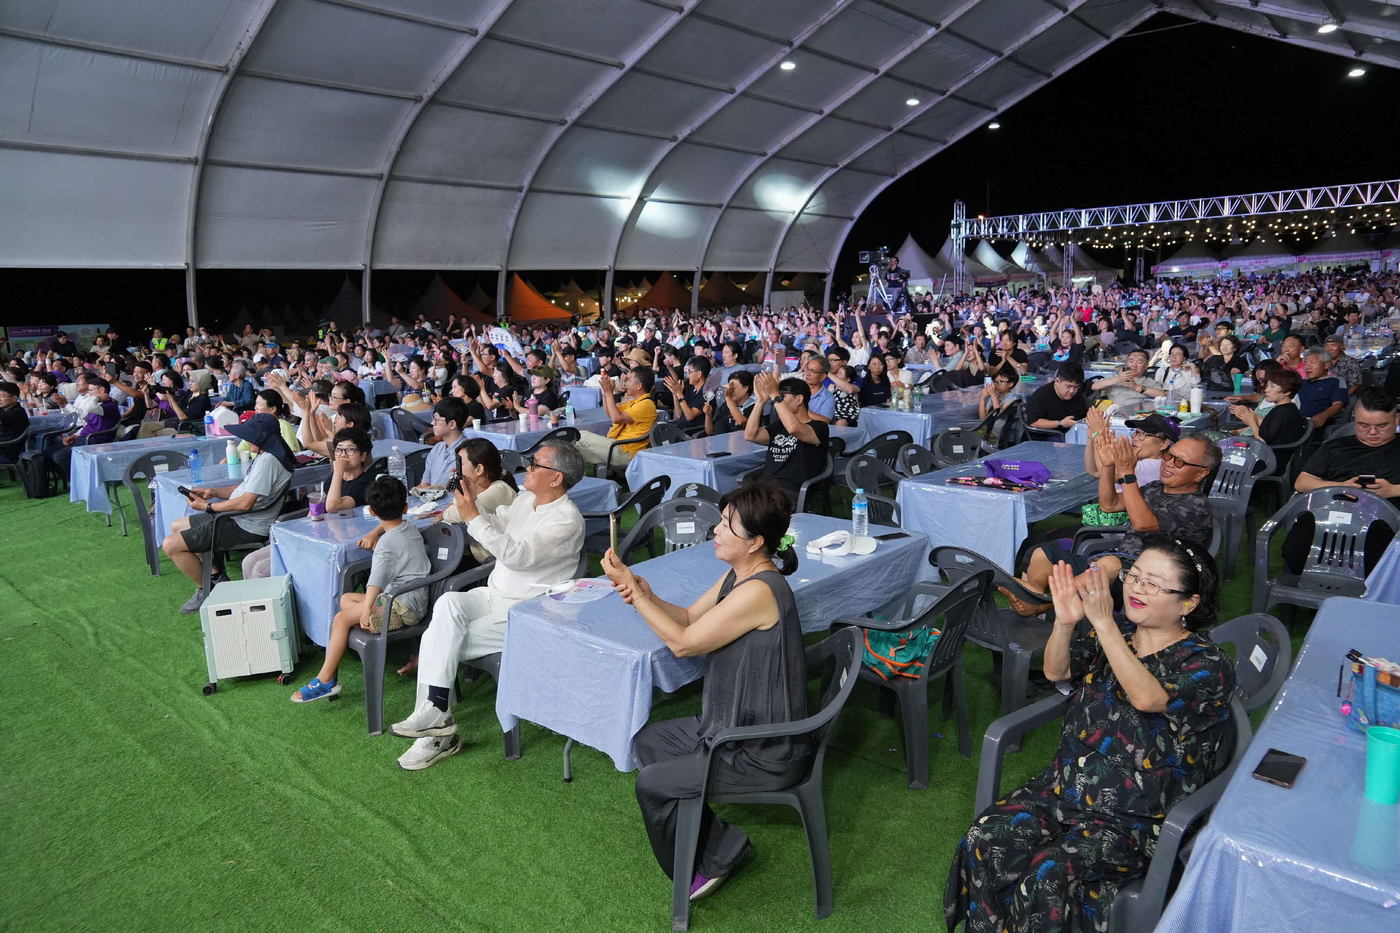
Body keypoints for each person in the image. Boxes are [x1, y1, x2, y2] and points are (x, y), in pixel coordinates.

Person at [946, 536, 1235, 933]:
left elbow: (1148, 697)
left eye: (1153, 584)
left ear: (1188, 604)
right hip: (1066, 789)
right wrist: (1064, 624)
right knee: (986, 836)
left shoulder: (1206, 664)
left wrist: (1103, 622)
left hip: (1134, 817)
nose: (1135, 587)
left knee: (1046, 877)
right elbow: (1056, 672)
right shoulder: (1114, 634)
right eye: (1135, 576)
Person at [601, 477, 808, 902]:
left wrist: (637, 600)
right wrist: (641, 588)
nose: (715, 529)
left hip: (761, 746)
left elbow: (682, 644)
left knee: (652, 785)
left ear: (755, 543)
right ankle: (722, 847)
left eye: (728, 525)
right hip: (730, 721)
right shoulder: (740, 575)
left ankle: (704, 867)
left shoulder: (761, 590)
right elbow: (690, 617)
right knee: (649, 741)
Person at [389, 440, 585, 770]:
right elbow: (499, 524)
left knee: (439, 640)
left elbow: (516, 555)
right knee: (449, 602)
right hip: (495, 596)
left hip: (529, 611)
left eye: (536, 464)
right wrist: (473, 508)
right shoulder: (526, 500)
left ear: (556, 478)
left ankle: (437, 731)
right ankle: (437, 716)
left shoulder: (566, 520)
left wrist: (472, 518)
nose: (527, 468)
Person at [1011, 431, 1217, 612]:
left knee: (1109, 564)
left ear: (1201, 473)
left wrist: (1128, 473)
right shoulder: (1155, 487)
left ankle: (1044, 603)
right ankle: (1034, 602)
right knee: (1042, 553)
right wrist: (1109, 467)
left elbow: (1143, 524)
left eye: (1179, 462)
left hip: (1153, 579)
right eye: (1168, 456)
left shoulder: (1196, 505)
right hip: (1119, 561)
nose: (1169, 463)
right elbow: (1109, 505)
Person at [290, 476, 430, 703]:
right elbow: (389, 527)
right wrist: (376, 533)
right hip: (409, 597)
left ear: (372, 512)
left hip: (403, 605)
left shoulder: (386, 545)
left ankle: (326, 680)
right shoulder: (409, 527)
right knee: (346, 599)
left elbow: (375, 581)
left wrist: (365, 610)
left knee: (341, 619)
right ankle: (372, 623)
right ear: (405, 507)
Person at [162, 414, 294, 614]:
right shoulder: (268, 455)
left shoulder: (268, 461)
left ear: (262, 439)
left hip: (246, 525)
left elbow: (245, 503)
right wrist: (214, 492)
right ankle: (217, 576)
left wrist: (208, 507)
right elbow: (243, 490)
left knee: (170, 545)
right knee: (177, 526)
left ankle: (205, 590)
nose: (245, 441)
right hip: (237, 517)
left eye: (249, 437)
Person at [1288, 387, 1400, 575]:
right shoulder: (1336, 447)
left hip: (1383, 523)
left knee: (1378, 560)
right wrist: (1341, 486)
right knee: (1296, 549)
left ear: (1396, 420)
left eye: (1382, 426)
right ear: (1354, 418)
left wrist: (1394, 490)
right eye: (1364, 425)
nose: (1372, 432)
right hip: (1330, 515)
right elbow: (1302, 482)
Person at [744, 373, 829, 499]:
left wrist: (774, 394)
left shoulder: (819, 427)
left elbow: (794, 429)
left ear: (799, 399)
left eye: (782, 395)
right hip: (765, 488)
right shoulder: (778, 426)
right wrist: (760, 401)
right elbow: (750, 435)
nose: (776, 401)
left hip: (791, 491)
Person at [575, 367, 656, 472]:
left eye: (629, 380)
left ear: (639, 386)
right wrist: (605, 394)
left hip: (625, 451)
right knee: (575, 449)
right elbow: (610, 412)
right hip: (618, 446)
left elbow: (616, 418)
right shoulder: (636, 402)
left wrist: (609, 393)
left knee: (580, 435)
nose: (626, 382)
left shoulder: (646, 404)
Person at [46, 376, 120, 477]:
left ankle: (76, 481)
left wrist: (96, 397)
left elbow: (90, 408)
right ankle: (69, 478)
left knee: (59, 456)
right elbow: (87, 422)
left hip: (95, 439)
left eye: (91, 390)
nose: (89, 394)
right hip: (84, 437)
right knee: (48, 453)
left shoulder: (109, 406)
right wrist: (76, 435)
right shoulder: (95, 403)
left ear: (102, 389)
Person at [1228, 368, 1307, 451]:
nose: (1266, 390)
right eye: (1268, 385)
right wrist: (1251, 417)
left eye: (1272, 386)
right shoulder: (1288, 408)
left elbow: (1262, 442)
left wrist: (1251, 422)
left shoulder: (1282, 412)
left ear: (1287, 392)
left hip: (1271, 458)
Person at [416, 397, 468, 490]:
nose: (432, 423)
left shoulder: (467, 452)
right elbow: (425, 482)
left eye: (436, 419)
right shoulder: (436, 449)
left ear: (452, 424)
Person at [1024, 363, 1088, 434]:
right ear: (1057, 381)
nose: (1072, 391)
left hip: (1072, 431)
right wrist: (1060, 423)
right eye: (1068, 386)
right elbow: (1034, 422)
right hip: (1048, 434)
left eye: (1076, 387)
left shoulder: (1078, 395)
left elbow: (1083, 415)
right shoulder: (1041, 395)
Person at [1090, 349, 1164, 409]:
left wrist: (1137, 387)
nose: (1134, 365)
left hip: (1134, 414)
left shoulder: (1149, 382)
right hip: (1111, 413)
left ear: (1146, 365)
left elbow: (1163, 395)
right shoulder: (1114, 378)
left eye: (1139, 362)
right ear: (1127, 363)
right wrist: (1117, 379)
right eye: (1131, 361)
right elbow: (1094, 386)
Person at [1295, 348, 1347, 430]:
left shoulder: (1336, 381)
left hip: (1318, 425)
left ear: (1326, 365)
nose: (1307, 367)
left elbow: (1338, 405)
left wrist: (1324, 415)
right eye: (1305, 363)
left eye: (1313, 363)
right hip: (1295, 423)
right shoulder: (1301, 383)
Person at [664, 356, 711, 432]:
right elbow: (679, 415)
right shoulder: (691, 389)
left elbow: (690, 416)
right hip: (679, 428)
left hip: (689, 433)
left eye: (690, 372)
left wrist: (679, 394)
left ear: (699, 374)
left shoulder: (707, 393)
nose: (688, 375)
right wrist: (675, 394)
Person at [703, 370, 754, 436]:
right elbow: (710, 432)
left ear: (746, 388)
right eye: (729, 387)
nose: (730, 391)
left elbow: (741, 422)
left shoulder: (753, 406)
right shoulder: (726, 405)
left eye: (733, 388)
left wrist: (728, 399)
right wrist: (708, 415)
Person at [0, 380, 29, 463]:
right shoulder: (3, 410)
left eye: (2, 396)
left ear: (14, 398)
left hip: (8, 452)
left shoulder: (18, 412)